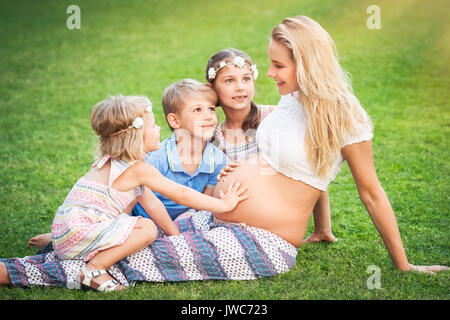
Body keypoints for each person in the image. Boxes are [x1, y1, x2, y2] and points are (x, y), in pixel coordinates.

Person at [0, 95, 248, 290]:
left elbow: (154, 205)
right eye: (153, 126)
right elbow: (181, 194)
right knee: (147, 229)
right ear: (136, 135)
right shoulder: (139, 169)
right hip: (80, 228)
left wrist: (175, 239)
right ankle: (94, 269)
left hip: (73, 227)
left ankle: (59, 242)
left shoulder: (113, 162)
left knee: (136, 219)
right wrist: (224, 205)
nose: (159, 130)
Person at [207, 48, 336, 243]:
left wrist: (322, 228)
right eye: (229, 81)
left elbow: (312, 169)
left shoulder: (275, 119)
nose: (240, 87)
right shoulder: (214, 138)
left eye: (246, 79)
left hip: (281, 213)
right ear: (212, 88)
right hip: (239, 219)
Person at [131, 79, 230, 222]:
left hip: (183, 221)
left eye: (211, 109)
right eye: (197, 110)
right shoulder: (156, 159)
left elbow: (204, 204)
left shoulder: (218, 161)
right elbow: (135, 199)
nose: (209, 116)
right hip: (143, 220)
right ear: (175, 121)